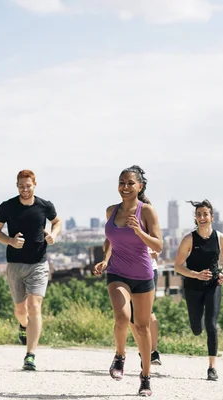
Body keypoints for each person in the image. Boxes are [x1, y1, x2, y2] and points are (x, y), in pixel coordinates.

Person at [93, 165, 162, 397]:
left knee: (142, 327)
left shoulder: (147, 211)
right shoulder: (111, 211)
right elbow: (110, 241)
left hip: (142, 276)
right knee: (122, 317)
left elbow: (158, 245)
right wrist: (105, 260)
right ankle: (120, 356)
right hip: (117, 273)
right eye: (122, 182)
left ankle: (145, 377)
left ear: (139, 186)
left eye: (130, 183)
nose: (125, 187)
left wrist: (139, 231)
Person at [0, 169, 62, 371]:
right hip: (15, 264)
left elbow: (57, 222)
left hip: (39, 263)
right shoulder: (7, 206)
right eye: (21, 185)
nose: (25, 189)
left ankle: (30, 355)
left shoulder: (44, 206)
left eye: (28, 185)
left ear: (35, 184)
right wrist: (10, 241)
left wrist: (53, 235)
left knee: (34, 307)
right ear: (17, 186)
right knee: (21, 310)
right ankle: (23, 326)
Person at [173, 199, 223, 381]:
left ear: (212, 217)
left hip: (213, 285)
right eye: (199, 214)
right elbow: (177, 266)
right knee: (197, 328)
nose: (202, 217)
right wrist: (196, 275)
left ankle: (212, 368)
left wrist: (222, 272)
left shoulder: (221, 238)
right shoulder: (189, 239)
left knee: (211, 325)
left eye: (205, 214)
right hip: (193, 287)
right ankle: (197, 328)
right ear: (196, 218)